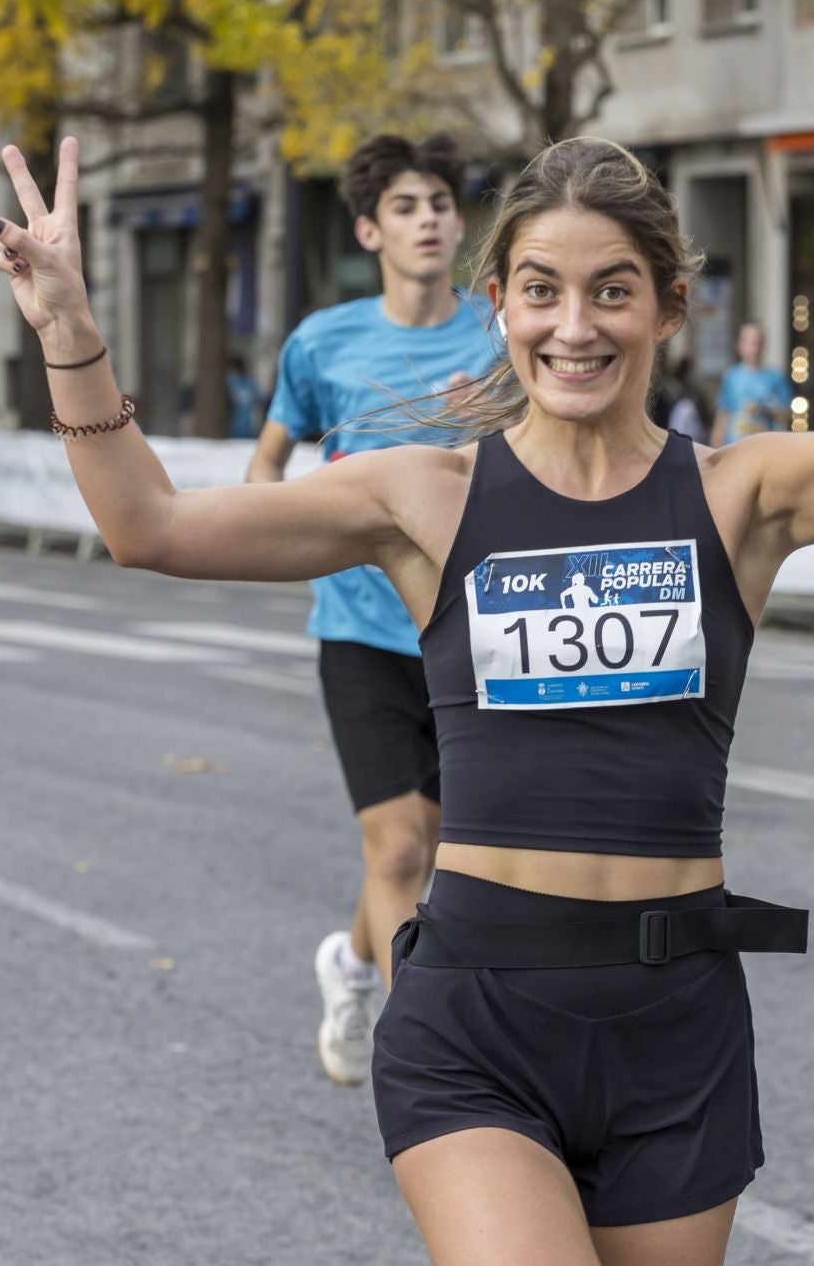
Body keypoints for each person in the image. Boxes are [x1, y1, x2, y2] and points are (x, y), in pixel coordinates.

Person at [0, 49, 814, 1263]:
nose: (577, 325)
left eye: (614, 291)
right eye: (543, 291)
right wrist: (72, 332)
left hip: (678, 1022)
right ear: (497, 302)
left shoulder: (740, 494)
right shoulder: (426, 498)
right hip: (478, 1017)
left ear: (669, 307)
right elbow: (149, 527)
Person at [241, 132, 498, 1088]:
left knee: (437, 849)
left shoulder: (499, 333)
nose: (428, 219)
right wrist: (293, 533)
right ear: (368, 229)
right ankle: (422, 1067)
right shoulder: (324, 342)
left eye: (439, 202)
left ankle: (351, 963)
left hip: (468, 628)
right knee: (399, 845)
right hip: (358, 629)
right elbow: (268, 465)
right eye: (405, 206)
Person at [713, 320, 793, 445]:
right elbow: (722, 416)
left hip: (764, 449)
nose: (754, 348)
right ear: (739, 345)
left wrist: (764, 410)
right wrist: (714, 450)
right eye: (749, 342)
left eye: (757, 342)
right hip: (734, 449)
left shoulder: (776, 376)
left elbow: (787, 414)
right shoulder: (731, 376)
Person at [226, 354, 263, 438]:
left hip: (233, 428)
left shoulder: (229, 382)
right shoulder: (252, 384)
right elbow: (260, 401)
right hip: (250, 428)